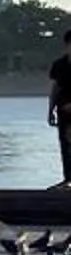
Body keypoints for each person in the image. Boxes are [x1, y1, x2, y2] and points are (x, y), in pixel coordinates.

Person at [49, 29, 71, 189]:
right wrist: (50, 110)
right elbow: (55, 88)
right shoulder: (60, 64)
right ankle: (68, 179)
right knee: (65, 144)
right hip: (64, 111)